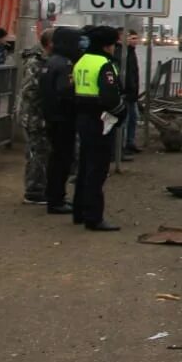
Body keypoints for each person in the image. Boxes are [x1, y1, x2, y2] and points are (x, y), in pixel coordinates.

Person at [72, 26, 127, 231]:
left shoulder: (82, 60)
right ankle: (94, 217)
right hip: (101, 121)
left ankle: (79, 211)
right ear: (107, 45)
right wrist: (122, 113)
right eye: (114, 44)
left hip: (83, 117)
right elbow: (110, 97)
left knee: (85, 166)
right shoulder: (104, 64)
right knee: (97, 170)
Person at [40, 27, 81, 214]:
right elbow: (66, 93)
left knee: (56, 159)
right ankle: (57, 199)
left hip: (52, 117)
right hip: (63, 119)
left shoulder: (51, 61)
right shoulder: (65, 64)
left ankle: (55, 197)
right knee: (62, 160)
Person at [19, 29, 54, 205]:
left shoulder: (43, 60)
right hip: (34, 115)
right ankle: (34, 191)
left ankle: (39, 187)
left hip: (38, 115)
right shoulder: (35, 62)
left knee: (43, 152)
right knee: (37, 153)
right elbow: (30, 91)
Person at [120, 29, 142, 156]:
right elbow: (127, 75)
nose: (135, 41)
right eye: (132, 38)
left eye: (136, 38)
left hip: (132, 94)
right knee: (126, 120)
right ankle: (122, 147)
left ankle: (130, 142)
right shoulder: (124, 53)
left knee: (134, 118)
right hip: (127, 94)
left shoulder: (131, 53)